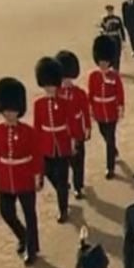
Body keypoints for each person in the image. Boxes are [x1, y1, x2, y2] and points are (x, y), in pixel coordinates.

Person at [0, 77, 41, 265]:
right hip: (5, 178)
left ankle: (32, 248)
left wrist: (37, 176)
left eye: (13, 110)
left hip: (25, 176)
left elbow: (36, 155)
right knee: (6, 212)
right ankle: (23, 236)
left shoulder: (28, 131)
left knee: (29, 214)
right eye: (6, 110)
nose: (9, 114)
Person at [33, 57, 75, 222]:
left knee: (62, 177)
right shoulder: (39, 104)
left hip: (62, 143)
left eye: (52, 85)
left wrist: (72, 142)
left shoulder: (64, 102)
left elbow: (70, 123)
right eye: (46, 85)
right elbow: (37, 127)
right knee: (50, 173)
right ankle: (61, 189)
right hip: (46, 145)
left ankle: (63, 209)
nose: (50, 88)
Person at [87, 37, 125, 179]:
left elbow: (119, 93)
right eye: (101, 62)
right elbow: (90, 93)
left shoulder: (114, 76)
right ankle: (114, 150)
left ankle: (110, 168)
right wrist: (90, 108)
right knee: (105, 135)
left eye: (106, 62)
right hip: (99, 111)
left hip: (111, 111)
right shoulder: (93, 76)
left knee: (110, 137)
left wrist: (120, 107)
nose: (103, 64)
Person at [57, 51, 91, 200]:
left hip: (77, 132)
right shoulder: (56, 93)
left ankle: (78, 186)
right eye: (64, 78)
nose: (66, 81)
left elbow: (85, 112)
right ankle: (66, 185)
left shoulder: (80, 93)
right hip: (62, 135)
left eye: (68, 78)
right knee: (63, 164)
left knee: (78, 162)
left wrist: (87, 128)